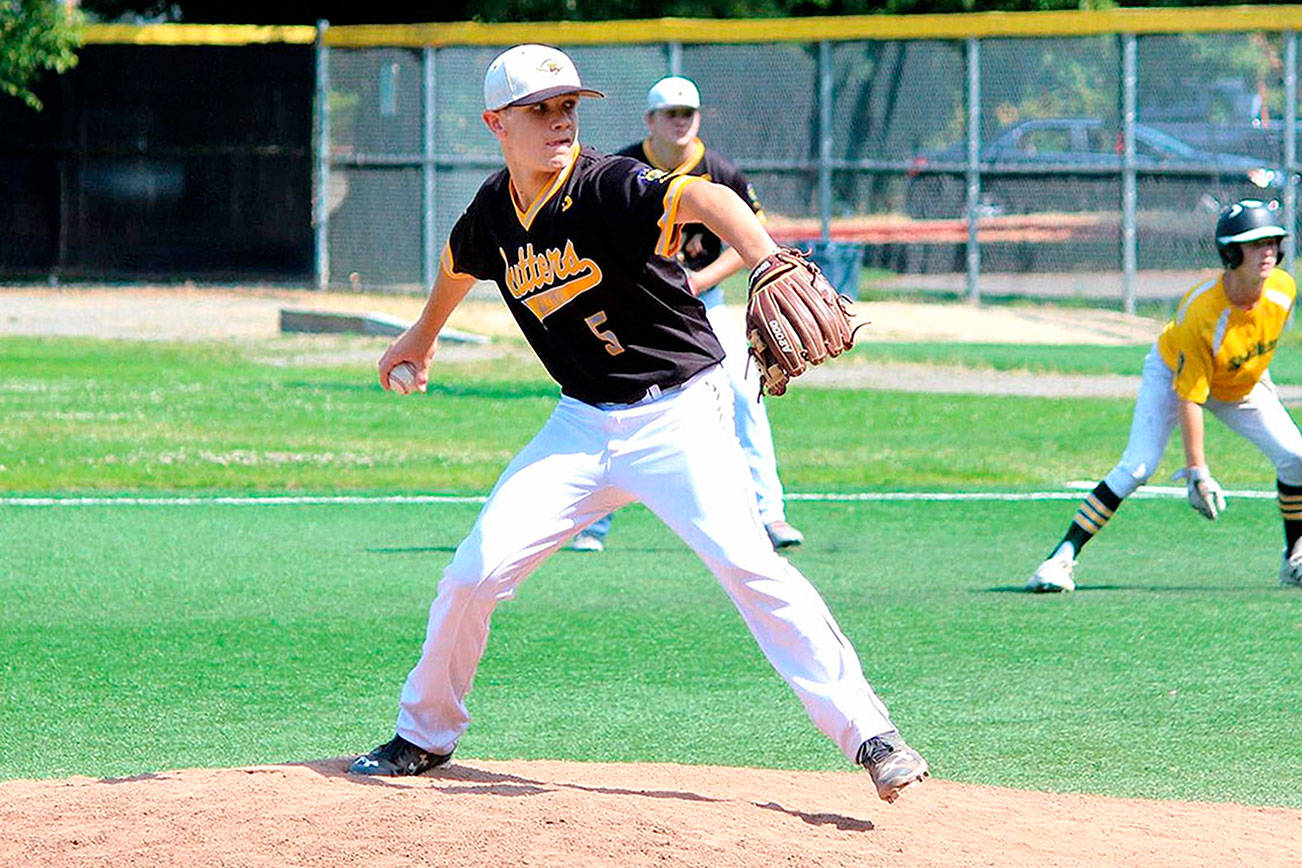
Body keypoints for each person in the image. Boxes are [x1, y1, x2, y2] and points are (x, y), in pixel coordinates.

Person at [348, 44, 928, 803]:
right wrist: (420, 338)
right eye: (539, 110)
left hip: (679, 411)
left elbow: (708, 202)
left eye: (568, 107)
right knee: (473, 573)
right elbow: (461, 262)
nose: (560, 123)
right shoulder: (495, 209)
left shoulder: (607, 183)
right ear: (497, 122)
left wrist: (764, 259)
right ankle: (424, 734)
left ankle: (870, 734)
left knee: (748, 565)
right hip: (581, 424)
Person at [568, 75, 804, 555]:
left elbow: (750, 237)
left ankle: (769, 514)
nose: (680, 121)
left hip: (703, 303)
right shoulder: (619, 168)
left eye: (688, 113)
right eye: (670, 113)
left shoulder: (720, 171)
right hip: (632, 308)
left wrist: (699, 281)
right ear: (649, 120)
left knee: (744, 392)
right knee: (609, 398)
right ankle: (590, 524)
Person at [1027, 199, 1301, 593]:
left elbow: (1258, 338)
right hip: (1172, 371)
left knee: (1296, 457)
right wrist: (1197, 470)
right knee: (1138, 466)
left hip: (1237, 383)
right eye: (1255, 244)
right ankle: (1059, 559)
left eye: (1273, 242)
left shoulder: (1283, 288)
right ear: (1231, 252)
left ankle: (1294, 558)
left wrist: (1262, 380)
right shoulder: (1201, 311)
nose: (1268, 251)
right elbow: (1189, 395)